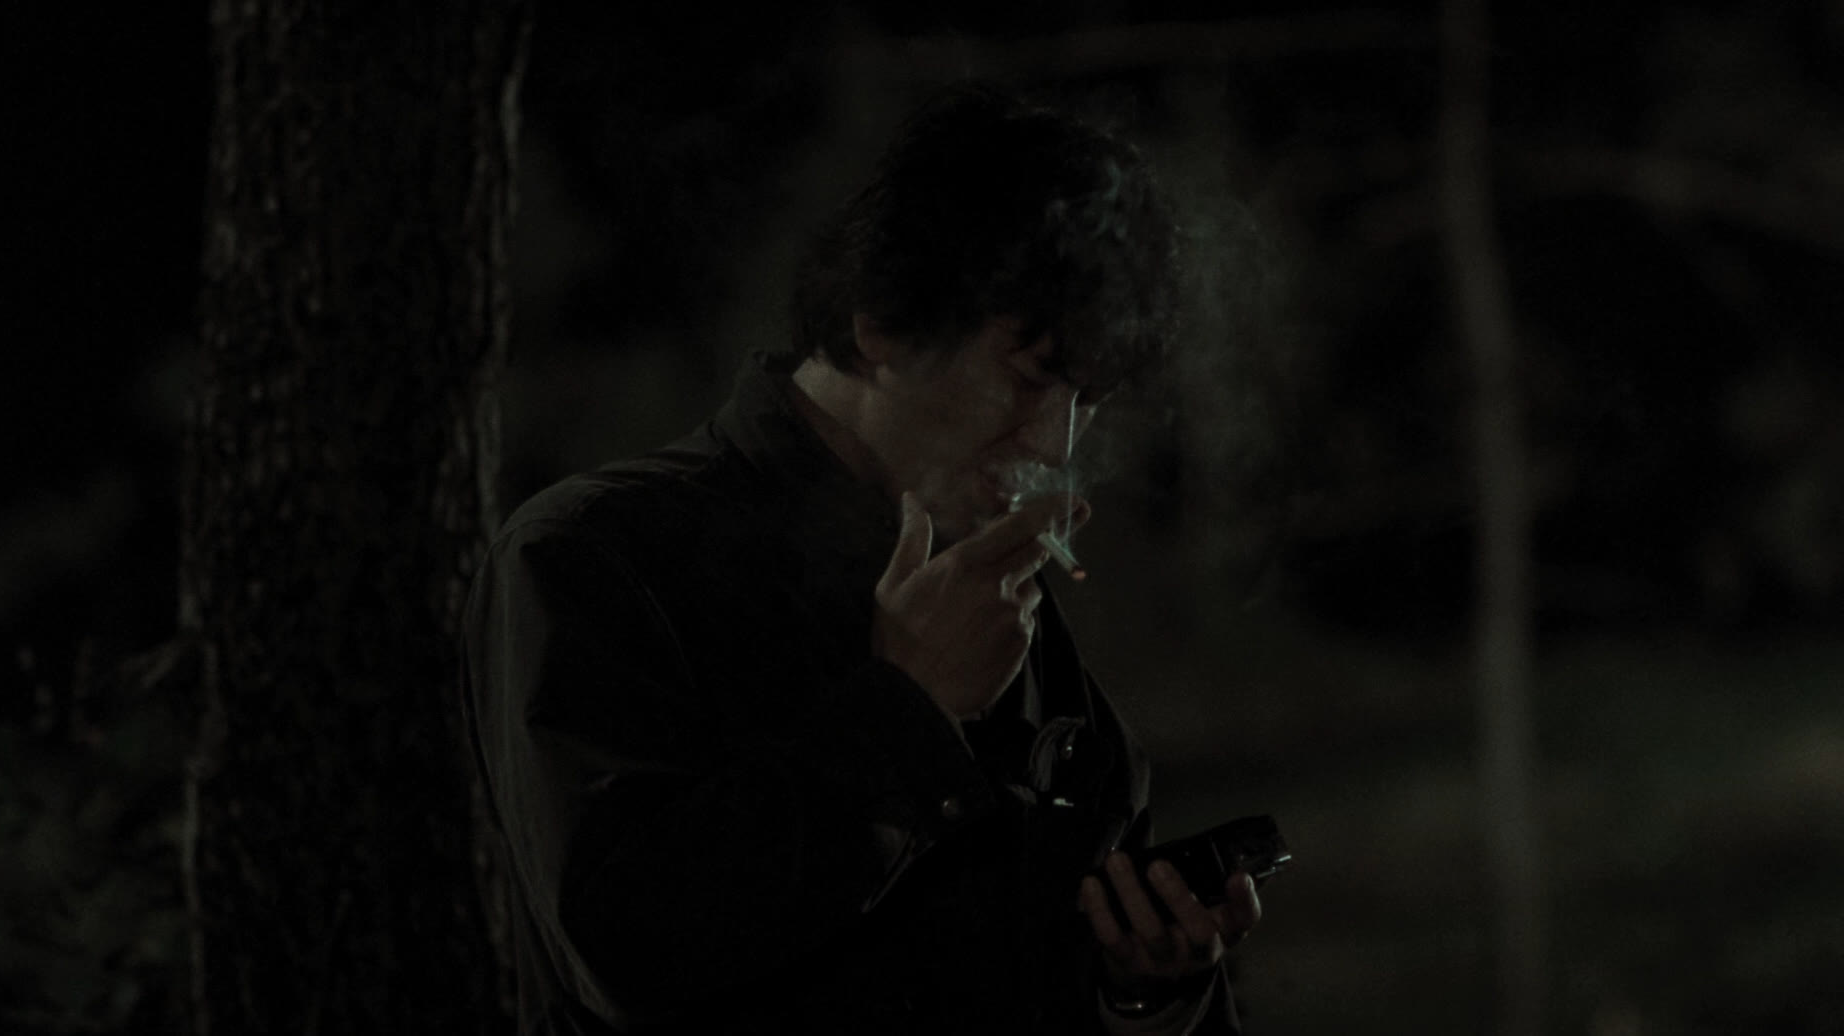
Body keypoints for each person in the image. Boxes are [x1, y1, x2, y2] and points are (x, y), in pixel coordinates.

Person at [460, 83, 1262, 1035]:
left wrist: (1150, 992)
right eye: (1031, 375)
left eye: (1085, 399)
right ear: (883, 321)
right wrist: (909, 712)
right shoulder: (598, 556)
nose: (1055, 442)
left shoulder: (1013, 622)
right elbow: (628, 953)